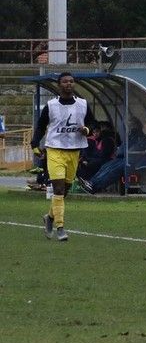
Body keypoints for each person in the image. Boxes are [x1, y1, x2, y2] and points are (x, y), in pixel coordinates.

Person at [31, 72, 96, 241]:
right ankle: (60, 227)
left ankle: (50, 217)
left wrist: (87, 130)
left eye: (71, 81)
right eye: (65, 81)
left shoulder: (82, 104)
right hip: (55, 150)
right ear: (59, 85)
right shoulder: (51, 105)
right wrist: (34, 143)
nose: (69, 84)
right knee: (58, 189)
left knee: (64, 190)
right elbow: (41, 126)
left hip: (74, 150)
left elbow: (93, 123)